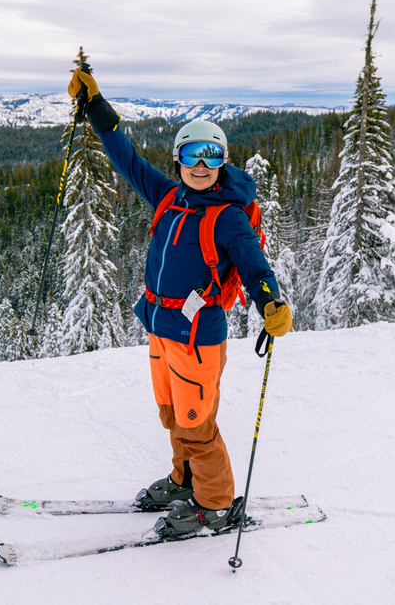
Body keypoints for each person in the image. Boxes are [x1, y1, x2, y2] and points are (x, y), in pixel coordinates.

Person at [68, 67, 293, 536]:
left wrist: (270, 302)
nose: (201, 165)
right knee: (173, 414)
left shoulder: (227, 217)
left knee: (197, 424)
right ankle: (185, 479)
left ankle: (215, 504)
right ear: (178, 159)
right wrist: (96, 107)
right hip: (160, 328)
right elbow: (126, 158)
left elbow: (255, 268)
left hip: (198, 337)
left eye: (211, 156)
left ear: (222, 163)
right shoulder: (169, 196)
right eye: (192, 154)